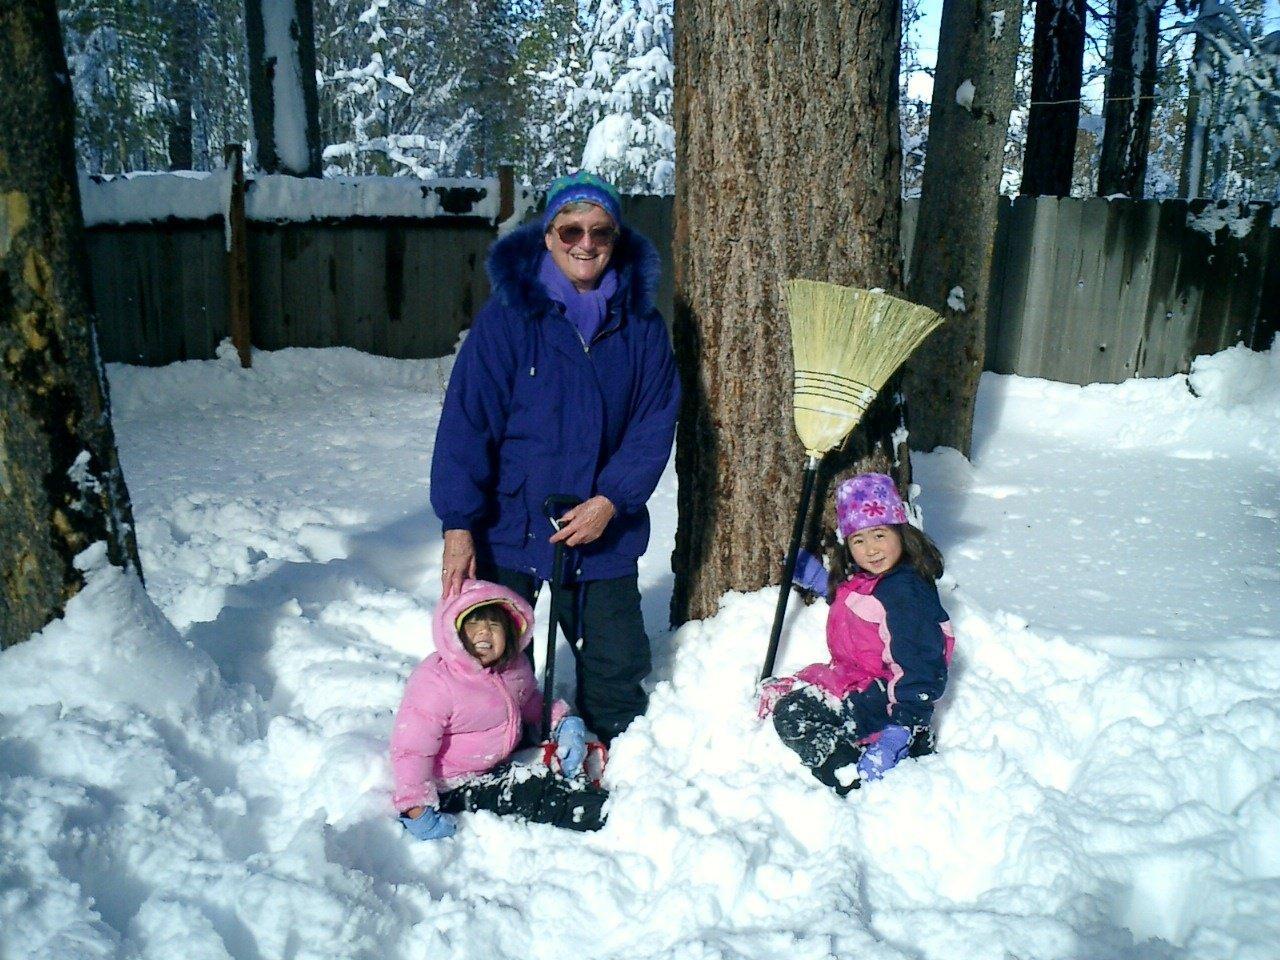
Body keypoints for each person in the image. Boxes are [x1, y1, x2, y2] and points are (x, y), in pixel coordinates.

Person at [430, 171, 680, 745]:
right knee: (484, 657)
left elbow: (653, 423)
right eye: (570, 229)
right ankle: (484, 749)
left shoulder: (641, 327)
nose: (584, 243)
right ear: (548, 236)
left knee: (615, 667)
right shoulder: (508, 319)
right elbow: (467, 425)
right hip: (510, 523)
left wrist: (611, 500)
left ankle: (605, 756)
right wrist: (459, 524)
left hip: (599, 528)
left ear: (615, 240)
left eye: (599, 231)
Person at [757, 472, 955, 795]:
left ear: (900, 532)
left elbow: (919, 666)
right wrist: (820, 580)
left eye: (879, 535)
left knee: (792, 714)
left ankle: (849, 773)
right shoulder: (878, 579)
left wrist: (901, 730)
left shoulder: (906, 595)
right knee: (796, 700)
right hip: (862, 682)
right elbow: (860, 606)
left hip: (887, 701)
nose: (871, 549)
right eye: (858, 540)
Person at [391, 578, 607, 838]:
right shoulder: (436, 683)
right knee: (525, 792)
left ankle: (574, 780)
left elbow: (528, 703)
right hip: (454, 782)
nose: (484, 632)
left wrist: (564, 723)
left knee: (542, 765)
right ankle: (587, 810)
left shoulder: (512, 669)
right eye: (473, 623)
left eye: (494, 625)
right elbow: (412, 750)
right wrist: (415, 807)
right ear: (454, 633)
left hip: (496, 759)